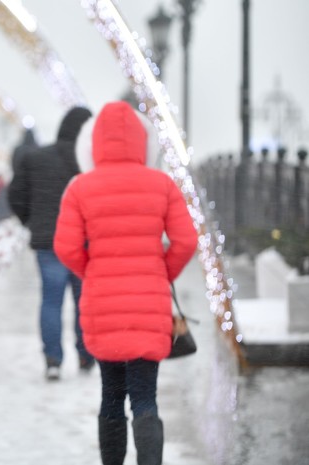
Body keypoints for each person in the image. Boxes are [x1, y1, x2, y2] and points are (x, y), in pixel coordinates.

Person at [53, 101, 198, 465]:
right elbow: (186, 241)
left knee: (111, 396)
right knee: (146, 398)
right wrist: (162, 271)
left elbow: (66, 247)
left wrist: (94, 271)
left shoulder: (80, 188)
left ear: (96, 143)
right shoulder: (161, 184)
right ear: (140, 141)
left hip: (102, 305)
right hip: (149, 306)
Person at [7, 107, 95, 380]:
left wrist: (31, 221)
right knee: (85, 301)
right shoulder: (90, 161)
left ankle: (53, 359)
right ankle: (85, 353)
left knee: (51, 300)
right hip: (83, 242)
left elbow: (15, 194)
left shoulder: (36, 158)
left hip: (50, 241)